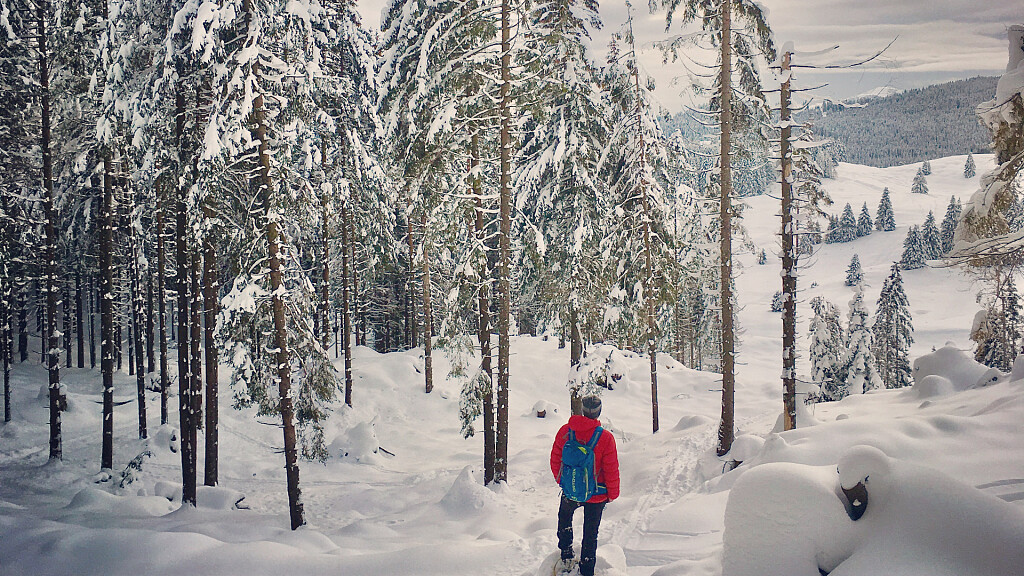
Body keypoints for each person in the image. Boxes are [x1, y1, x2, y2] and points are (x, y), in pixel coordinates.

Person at [549, 396, 620, 576]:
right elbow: (611, 469)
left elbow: (555, 459)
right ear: (598, 412)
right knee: (590, 533)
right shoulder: (605, 438)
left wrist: (563, 482)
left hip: (571, 491)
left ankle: (566, 555)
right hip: (597, 494)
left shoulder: (565, 431)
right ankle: (587, 569)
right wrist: (612, 494)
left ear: (582, 410)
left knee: (564, 518)